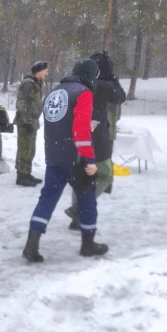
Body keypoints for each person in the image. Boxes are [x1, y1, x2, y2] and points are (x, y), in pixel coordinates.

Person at [22, 59, 109, 262]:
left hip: (54, 156)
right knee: (87, 200)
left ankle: (31, 244)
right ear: (90, 75)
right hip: (75, 159)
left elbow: (55, 126)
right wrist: (89, 160)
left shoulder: (55, 92)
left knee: (47, 200)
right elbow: (81, 130)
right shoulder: (83, 93)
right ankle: (88, 244)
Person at [65, 52, 126, 229]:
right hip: (96, 138)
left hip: (74, 136)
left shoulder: (74, 84)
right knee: (105, 175)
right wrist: (112, 79)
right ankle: (78, 209)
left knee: (81, 176)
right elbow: (120, 97)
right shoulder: (103, 86)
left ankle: (76, 218)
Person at [14, 60, 49, 187]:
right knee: (25, 149)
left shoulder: (36, 83)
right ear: (38, 71)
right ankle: (21, 176)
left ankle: (27, 173)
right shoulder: (28, 84)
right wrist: (27, 120)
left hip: (32, 121)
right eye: (45, 71)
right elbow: (22, 103)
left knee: (30, 149)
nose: (47, 73)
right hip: (26, 122)